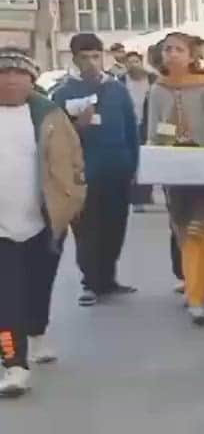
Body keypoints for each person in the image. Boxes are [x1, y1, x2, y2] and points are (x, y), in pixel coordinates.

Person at [0, 48, 86, 397]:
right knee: (6, 300)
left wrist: (72, 200)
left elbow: (73, 162)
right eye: (3, 73)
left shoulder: (49, 115)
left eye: (17, 73)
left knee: (38, 286)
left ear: (31, 79)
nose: (9, 80)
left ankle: (36, 332)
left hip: (44, 220)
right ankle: (13, 363)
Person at [146, 33, 204, 326]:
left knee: (203, 229)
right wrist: (154, 162)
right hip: (174, 166)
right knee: (184, 230)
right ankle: (197, 290)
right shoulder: (158, 90)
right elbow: (153, 133)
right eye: (167, 49)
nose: (172, 54)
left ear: (192, 56)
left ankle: (199, 290)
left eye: (178, 49)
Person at [52, 33, 139, 307]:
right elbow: (57, 138)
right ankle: (90, 282)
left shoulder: (117, 90)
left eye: (95, 56)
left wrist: (134, 165)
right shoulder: (63, 93)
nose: (91, 62)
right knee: (87, 229)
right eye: (85, 57)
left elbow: (131, 131)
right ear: (75, 58)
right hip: (84, 174)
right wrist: (78, 127)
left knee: (115, 226)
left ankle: (108, 278)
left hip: (117, 170)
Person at [123, 50, 156, 213]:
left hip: (148, 125)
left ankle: (146, 195)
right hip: (128, 125)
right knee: (132, 162)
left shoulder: (152, 80)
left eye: (136, 61)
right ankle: (135, 198)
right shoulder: (121, 81)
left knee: (147, 161)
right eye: (130, 62)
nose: (133, 65)